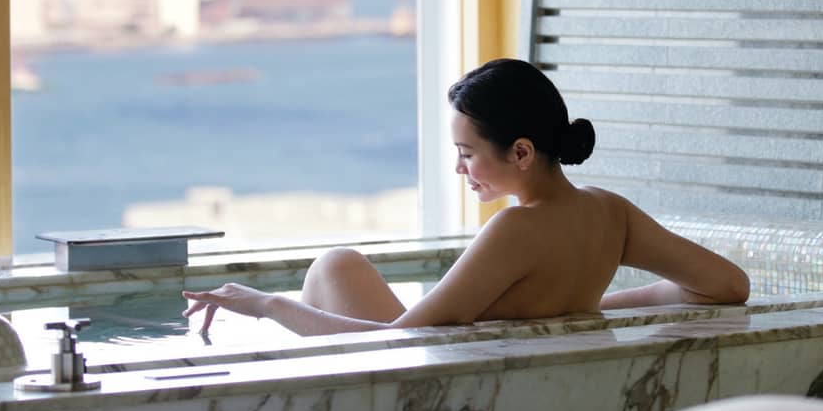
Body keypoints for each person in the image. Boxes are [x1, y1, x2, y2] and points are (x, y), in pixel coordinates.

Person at [182, 58, 749, 336]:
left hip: (433, 390)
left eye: (468, 152)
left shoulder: (515, 230)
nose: (458, 168)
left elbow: (400, 345)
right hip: (476, 370)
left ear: (522, 153)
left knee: (334, 264)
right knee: (344, 265)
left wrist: (267, 305)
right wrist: (589, 307)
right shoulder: (610, 214)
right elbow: (728, 285)